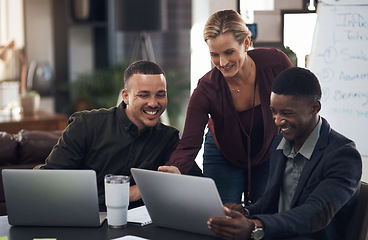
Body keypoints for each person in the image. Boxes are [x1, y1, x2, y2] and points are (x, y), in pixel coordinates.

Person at [207, 67, 362, 240]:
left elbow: (315, 213)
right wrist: (246, 212)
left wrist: (256, 226)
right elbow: (271, 201)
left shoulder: (343, 156)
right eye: (274, 111)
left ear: (314, 107)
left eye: (287, 113)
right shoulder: (279, 145)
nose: (278, 121)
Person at [161, 9, 293, 205]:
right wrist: (176, 168)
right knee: (222, 219)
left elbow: (298, 106)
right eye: (215, 54)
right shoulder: (206, 89)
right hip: (223, 153)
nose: (222, 62)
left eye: (229, 52)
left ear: (246, 43)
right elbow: (189, 142)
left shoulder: (276, 63)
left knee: (263, 216)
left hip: (267, 151)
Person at [41, 60, 201, 209]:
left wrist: (168, 181)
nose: (153, 103)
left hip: (139, 229)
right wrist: (123, 193)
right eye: (144, 95)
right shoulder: (86, 125)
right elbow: (48, 183)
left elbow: (199, 185)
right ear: (125, 96)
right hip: (83, 217)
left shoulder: (168, 138)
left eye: (160, 95)